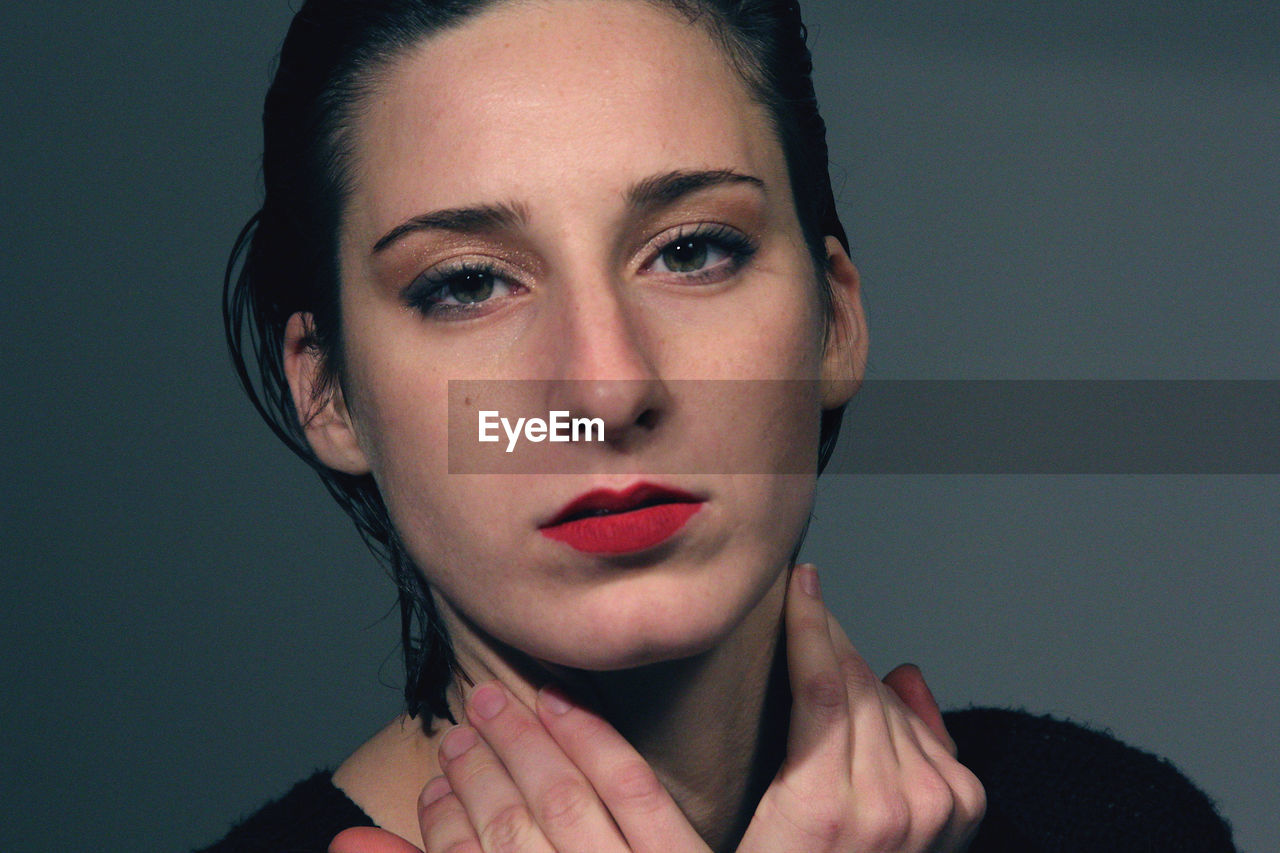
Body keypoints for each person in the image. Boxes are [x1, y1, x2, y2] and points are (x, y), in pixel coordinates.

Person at [203, 0, 1236, 850]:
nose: (606, 390)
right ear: (328, 390)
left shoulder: (1112, 823)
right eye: (467, 283)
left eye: (692, 252)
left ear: (833, 318)